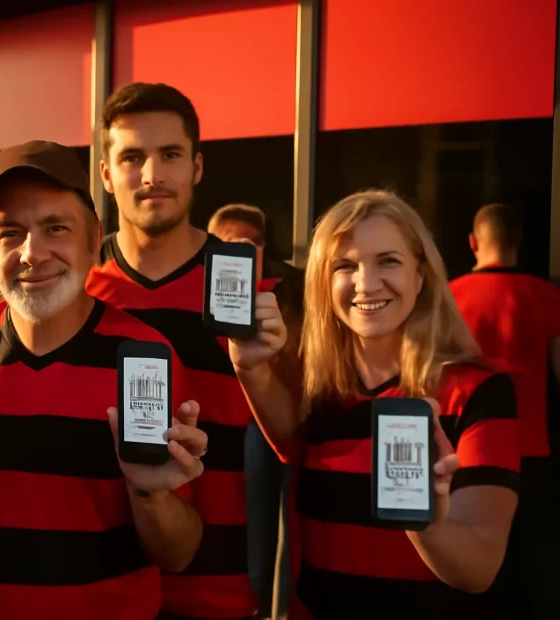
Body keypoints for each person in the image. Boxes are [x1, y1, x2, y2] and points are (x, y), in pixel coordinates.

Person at [0, 140, 209, 619]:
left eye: (55, 228)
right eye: (10, 233)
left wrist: (149, 495)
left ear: (94, 239)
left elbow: (178, 555)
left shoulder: (144, 358)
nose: (33, 253)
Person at [235, 190, 519, 619]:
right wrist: (249, 368)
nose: (366, 283)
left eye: (388, 260)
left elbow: (478, 571)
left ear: (420, 275)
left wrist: (426, 524)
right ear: (323, 284)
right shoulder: (319, 388)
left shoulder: (478, 392)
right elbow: (289, 443)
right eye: (345, 266)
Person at [86, 82, 260, 619]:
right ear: (106, 173)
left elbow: (296, 437)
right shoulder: (71, 286)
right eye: (132, 157)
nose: (152, 175)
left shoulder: (264, 289)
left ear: (197, 167)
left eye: (170, 156)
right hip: (95, 589)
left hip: (222, 592)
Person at [449, 202, 560, 617]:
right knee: (529, 568)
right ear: (519, 241)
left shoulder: (450, 294)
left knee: (475, 565)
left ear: (474, 242)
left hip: (471, 448)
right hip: (533, 451)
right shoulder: (547, 295)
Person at [207, 203, 302, 620]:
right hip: (215, 424)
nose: (239, 252)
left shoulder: (290, 293)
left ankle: (268, 604)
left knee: (278, 529)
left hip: (270, 422)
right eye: (227, 244)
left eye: (250, 244)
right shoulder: (198, 291)